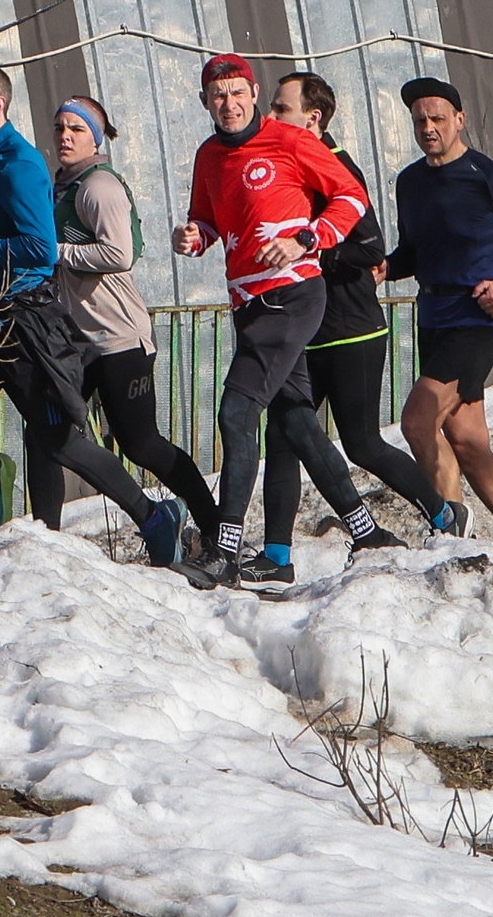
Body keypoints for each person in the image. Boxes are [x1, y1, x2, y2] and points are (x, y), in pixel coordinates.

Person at [0, 61, 172, 575]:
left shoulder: (18, 163)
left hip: (22, 328)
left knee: (62, 442)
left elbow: (40, 251)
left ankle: (154, 517)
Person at [166, 54, 400, 592]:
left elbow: (351, 197)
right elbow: (208, 218)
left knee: (236, 410)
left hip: (293, 294)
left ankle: (224, 552)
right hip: (248, 302)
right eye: (217, 95)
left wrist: (304, 239)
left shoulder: (291, 141)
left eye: (237, 92)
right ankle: (367, 533)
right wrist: (194, 238)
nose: (229, 103)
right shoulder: (208, 156)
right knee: (295, 420)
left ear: (252, 93)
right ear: (206, 102)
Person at [254, 73, 443, 580]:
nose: (271, 118)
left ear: (312, 118)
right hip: (306, 329)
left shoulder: (336, 167)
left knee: (361, 443)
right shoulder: (292, 163)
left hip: (351, 329)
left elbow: (370, 248)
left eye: (281, 108)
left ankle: (445, 512)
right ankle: (276, 557)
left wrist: (310, 246)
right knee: (282, 437)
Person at [385, 77, 493, 554]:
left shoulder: (487, 175)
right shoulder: (409, 181)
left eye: (438, 118)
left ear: (460, 120)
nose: (428, 127)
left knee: (418, 421)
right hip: (433, 313)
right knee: (466, 440)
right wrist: (381, 268)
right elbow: (413, 253)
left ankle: (451, 527)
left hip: (477, 316)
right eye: (420, 119)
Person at [40, 94, 211, 565]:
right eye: (59, 128)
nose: (65, 137)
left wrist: (54, 252)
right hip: (78, 341)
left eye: (76, 129)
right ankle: (44, 543)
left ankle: (212, 523)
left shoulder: (98, 187)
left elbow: (119, 254)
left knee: (141, 443)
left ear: (95, 138)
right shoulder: (60, 186)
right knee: (50, 437)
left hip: (118, 337)